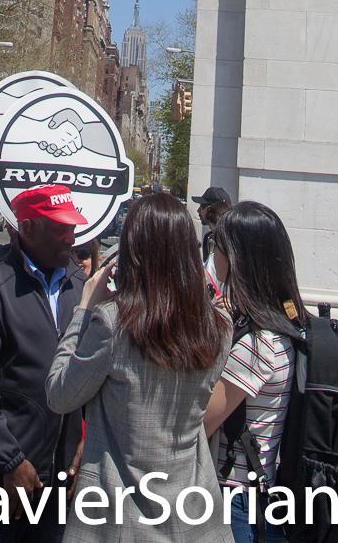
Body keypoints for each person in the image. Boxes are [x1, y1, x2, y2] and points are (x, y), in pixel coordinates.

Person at [47, 193, 231, 541]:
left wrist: (84, 308)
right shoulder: (220, 327)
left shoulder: (111, 324)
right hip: (192, 513)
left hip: (117, 517)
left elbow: (59, 394)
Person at [0, 186, 89, 543]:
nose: (70, 238)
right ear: (27, 229)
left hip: (59, 483)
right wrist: (11, 462)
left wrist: (85, 440)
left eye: (72, 228)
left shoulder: (82, 290)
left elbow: (91, 376)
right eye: (59, 228)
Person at [203, 202, 306, 543]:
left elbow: (200, 420)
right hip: (260, 493)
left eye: (216, 245)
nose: (212, 254)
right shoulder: (283, 325)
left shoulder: (257, 344)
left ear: (238, 260)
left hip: (237, 499)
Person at [193, 185, 232, 261]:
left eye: (203, 206)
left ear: (212, 209)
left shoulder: (232, 240)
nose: (198, 210)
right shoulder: (208, 238)